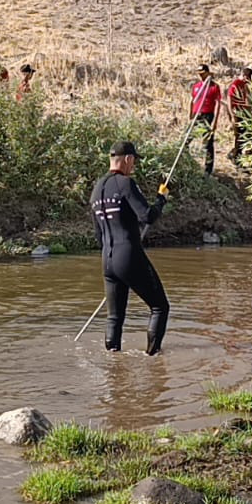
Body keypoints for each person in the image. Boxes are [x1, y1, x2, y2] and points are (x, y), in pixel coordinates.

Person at [89, 141, 170, 355]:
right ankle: (153, 359)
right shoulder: (125, 184)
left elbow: (99, 234)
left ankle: (112, 362)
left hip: (107, 260)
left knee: (115, 317)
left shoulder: (96, 190)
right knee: (160, 307)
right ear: (127, 159)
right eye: (133, 161)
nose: (133, 166)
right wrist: (161, 199)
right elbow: (147, 216)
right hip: (128, 255)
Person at [188, 64, 221, 174]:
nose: (201, 76)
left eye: (203, 73)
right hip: (197, 115)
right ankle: (186, 162)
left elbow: (218, 104)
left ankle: (208, 170)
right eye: (199, 74)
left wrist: (215, 121)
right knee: (187, 138)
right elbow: (192, 100)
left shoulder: (214, 87)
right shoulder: (197, 86)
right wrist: (190, 115)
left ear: (207, 73)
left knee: (208, 143)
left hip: (208, 115)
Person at [224, 65, 252, 165]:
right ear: (244, 76)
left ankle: (235, 154)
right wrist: (232, 116)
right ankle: (236, 158)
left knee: (248, 136)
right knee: (240, 136)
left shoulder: (249, 85)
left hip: (246, 113)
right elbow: (230, 100)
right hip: (238, 112)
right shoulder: (236, 84)